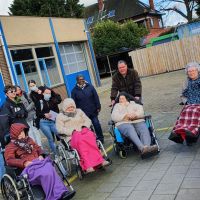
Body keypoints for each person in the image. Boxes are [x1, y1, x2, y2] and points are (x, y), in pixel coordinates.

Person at [4, 123, 75, 200]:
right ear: (14, 134)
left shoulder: (29, 139)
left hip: (39, 162)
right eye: (19, 133)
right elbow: (9, 160)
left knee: (50, 168)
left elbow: (38, 148)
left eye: (22, 132)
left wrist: (41, 154)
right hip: (28, 168)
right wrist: (24, 163)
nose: (21, 134)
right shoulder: (10, 147)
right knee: (45, 173)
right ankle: (53, 197)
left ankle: (61, 192)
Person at [56, 98, 110, 173]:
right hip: (72, 136)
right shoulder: (60, 116)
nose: (71, 109)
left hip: (83, 132)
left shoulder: (79, 111)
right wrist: (72, 131)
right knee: (82, 142)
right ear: (64, 108)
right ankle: (88, 165)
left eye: (72, 107)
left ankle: (100, 161)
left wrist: (84, 126)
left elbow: (88, 120)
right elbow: (59, 129)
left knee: (91, 139)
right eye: (68, 107)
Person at [71, 75, 104, 144]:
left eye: (82, 79)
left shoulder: (90, 87)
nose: (81, 80)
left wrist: (98, 106)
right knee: (88, 127)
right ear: (77, 81)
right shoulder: (74, 91)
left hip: (93, 111)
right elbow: (73, 103)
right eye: (80, 79)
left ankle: (101, 138)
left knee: (96, 124)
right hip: (83, 114)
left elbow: (96, 97)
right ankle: (92, 140)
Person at [35, 86, 61, 153]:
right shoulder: (40, 102)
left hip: (52, 121)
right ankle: (56, 155)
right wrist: (44, 115)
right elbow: (37, 114)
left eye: (49, 93)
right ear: (43, 93)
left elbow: (57, 111)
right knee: (50, 138)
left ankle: (65, 149)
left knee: (60, 135)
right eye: (46, 93)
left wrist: (53, 115)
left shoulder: (52, 101)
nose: (48, 95)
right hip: (43, 123)